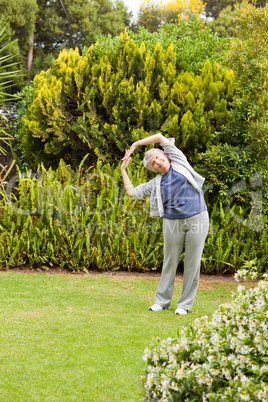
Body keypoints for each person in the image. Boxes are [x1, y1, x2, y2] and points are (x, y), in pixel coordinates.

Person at [120, 133, 209, 315]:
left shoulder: (179, 162)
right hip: (172, 223)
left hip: (197, 218)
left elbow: (160, 137)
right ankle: (162, 302)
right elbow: (132, 193)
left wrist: (136, 144)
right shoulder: (156, 183)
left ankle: (184, 305)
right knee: (170, 261)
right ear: (154, 168)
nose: (158, 162)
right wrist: (123, 169)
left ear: (165, 156)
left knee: (193, 263)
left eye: (158, 158)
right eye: (154, 163)